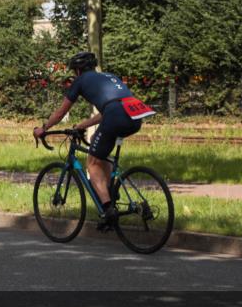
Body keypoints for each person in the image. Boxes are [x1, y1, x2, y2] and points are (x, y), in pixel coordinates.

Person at [33, 51, 155, 226]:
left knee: (92, 163)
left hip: (115, 116)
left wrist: (43, 129)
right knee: (102, 157)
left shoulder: (80, 81)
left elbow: (61, 112)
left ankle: (108, 210)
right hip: (135, 115)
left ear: (77, 71)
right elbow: (112, 107)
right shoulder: (109, 76)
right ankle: (111, 194)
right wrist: (83, 125)